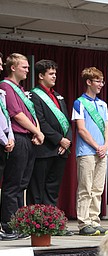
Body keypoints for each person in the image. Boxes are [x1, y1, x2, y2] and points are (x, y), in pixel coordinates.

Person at [0, 53, 44, 238]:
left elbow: (30, 113)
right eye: (24, 67)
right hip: (17, 137)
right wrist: (37, 131)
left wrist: (36, 131)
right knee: (13, 183)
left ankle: (19, 223)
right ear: (13, 67)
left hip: (28, 138)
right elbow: (16, 114)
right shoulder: (5, 86)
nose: (27, 70)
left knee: (22, 184)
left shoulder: (20, 89)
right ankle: (9, 225)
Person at [26, 59, 72, 207]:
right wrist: (60, 139)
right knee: (37, 188)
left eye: (55, 74)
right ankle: (36, 224)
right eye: (51, 74)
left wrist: (67, 141)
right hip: (44, 149)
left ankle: (51, 221)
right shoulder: (34, 95)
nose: (54, 77)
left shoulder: (58, 96)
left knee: (53, 189)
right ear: (41, 76)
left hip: (61, 150)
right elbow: (41, 122)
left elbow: (67, 121)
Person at [72, 67, 108, 236]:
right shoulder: (79, 102)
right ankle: (84, 222)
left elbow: (107, 127)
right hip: (87, 151)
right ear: (88, 82)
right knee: (85, 188)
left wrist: (106, 145)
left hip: (102, 152)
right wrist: (96, 146)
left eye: (102, 81)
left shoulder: (103, 104)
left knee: (97, 188)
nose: (101, 84)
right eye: (98, 81)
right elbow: (81, 129)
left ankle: (94, 219)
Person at [0, 52, 17, 241]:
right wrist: (6, 140)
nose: (0, 67)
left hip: (5, 142)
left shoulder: (1, 92)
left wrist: (10, 137)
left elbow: (5, 118)